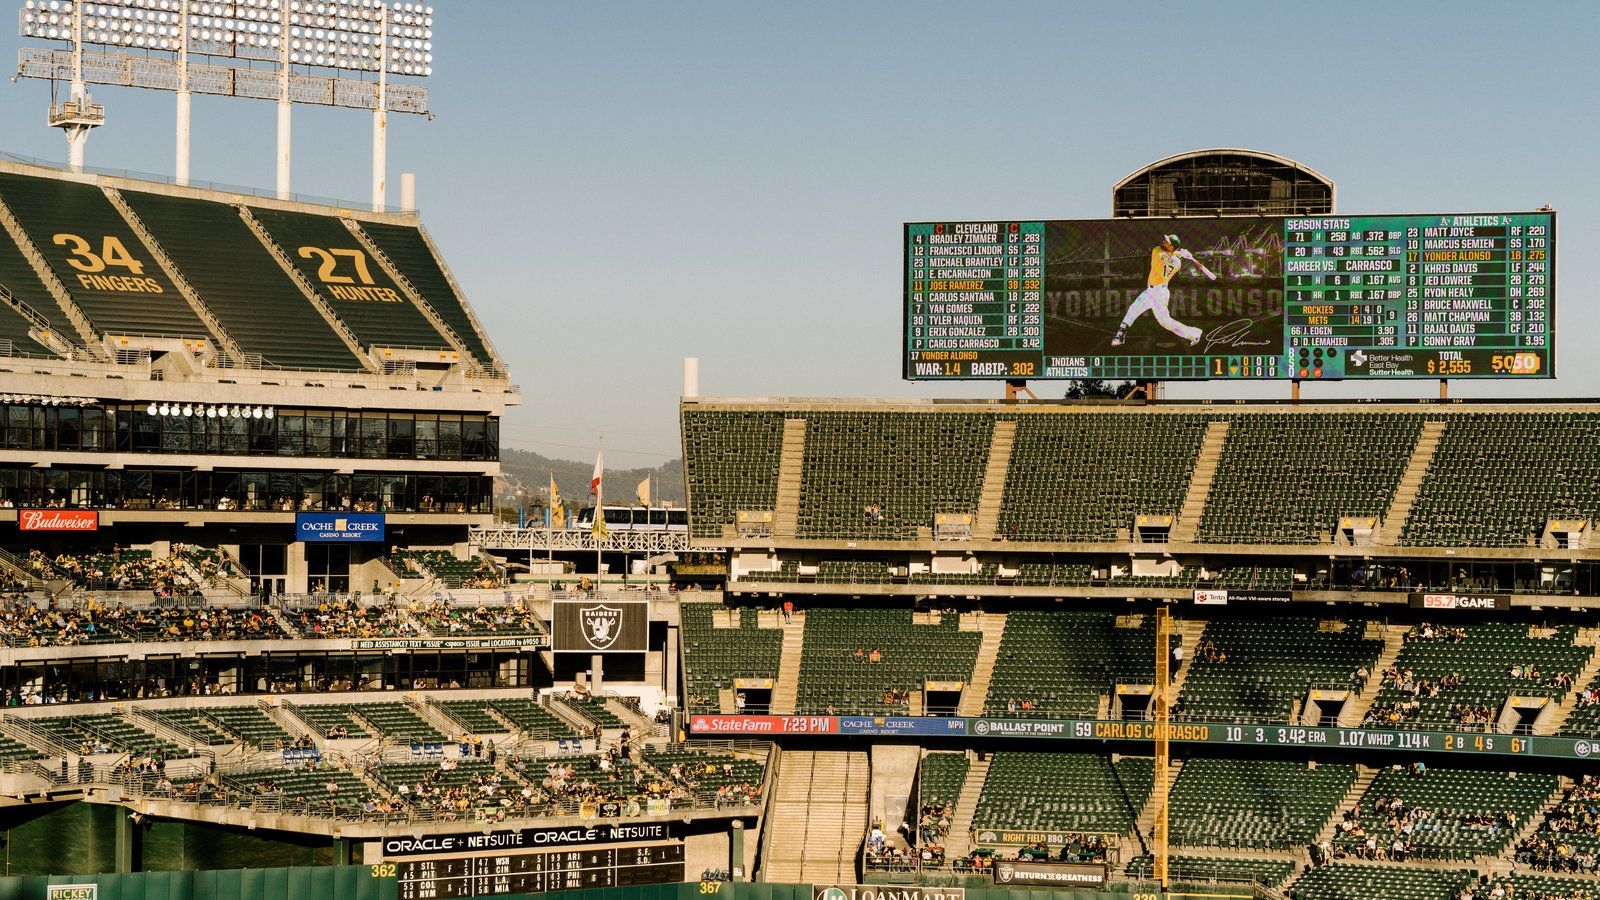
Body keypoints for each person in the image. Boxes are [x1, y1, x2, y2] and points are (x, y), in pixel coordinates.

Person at [1110, 233, 1215, 347]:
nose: (1164, 241)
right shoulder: (1178, 263)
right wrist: (1180, 253)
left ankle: (1194, 333)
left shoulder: (1156, 252)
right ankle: (1120, 335)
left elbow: (1166, 255)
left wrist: (1179, 252)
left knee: (1165, 322)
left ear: (1171, 247)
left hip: (1159, 294)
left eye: (1167, 242)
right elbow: (1171, 256)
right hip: (1152, 291)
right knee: (1133, 309)